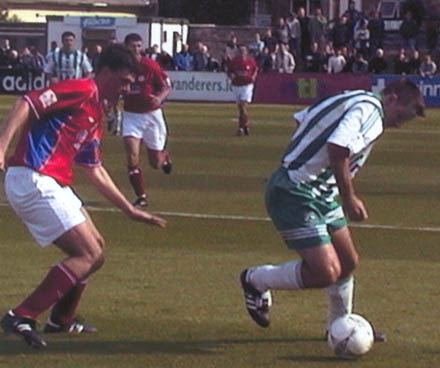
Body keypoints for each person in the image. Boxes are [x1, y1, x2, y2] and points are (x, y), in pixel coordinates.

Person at [0, 43, 167, 349]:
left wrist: (129, 209)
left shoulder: (97, 110)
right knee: (87, 254)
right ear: (105, 72)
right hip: (33, 178)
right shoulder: (81, 89)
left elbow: (94, 169)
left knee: (97, 251)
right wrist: (1, 146)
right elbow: (27, 102)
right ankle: (21, 315)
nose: (126, 90)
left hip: (52, 183)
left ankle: (61, 320)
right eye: (123, 81)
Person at [239, 78, 425, 345]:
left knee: (348, 263)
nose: (397, 124)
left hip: (320, 191)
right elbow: (338, 148)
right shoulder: (370, 110)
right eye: (400, 117)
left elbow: (303, 119)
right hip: (296, 191)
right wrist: (349, 197)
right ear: (392, 98)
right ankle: (255, 279)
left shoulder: (351, 97)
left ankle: (339, 328)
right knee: (326, 272)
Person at [122, 33, 172, 208]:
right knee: (132, 156)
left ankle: (164, 158)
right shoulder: (121, 67)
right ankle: (141, 196)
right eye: (132, 46)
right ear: (126, 47)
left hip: (151, 115)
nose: (136, 49)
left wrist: (159, 98)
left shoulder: (150, 65)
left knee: (155, 163)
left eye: (138, 45)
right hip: (131, 115)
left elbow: (166, 86)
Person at [226, 45, 258, 136]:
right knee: (240, 107)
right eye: (240, 51)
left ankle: (241, 128)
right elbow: (229, 71)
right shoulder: (234, 61)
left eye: (243, 51)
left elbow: (255, 69)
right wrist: (230, 75)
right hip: (237, 85)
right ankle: (245, 126)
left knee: (243, 105)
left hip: (247, 85)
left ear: (246, 52)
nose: (242, 52)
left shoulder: (250, 61)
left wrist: (253, 76)